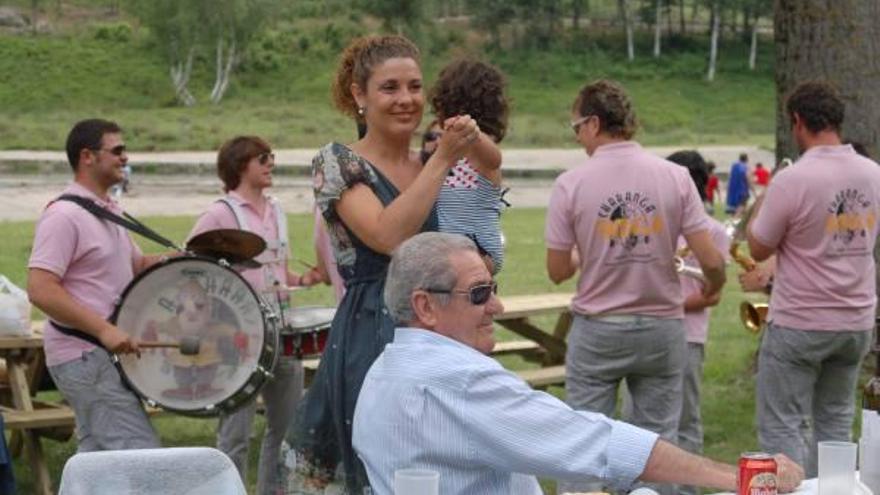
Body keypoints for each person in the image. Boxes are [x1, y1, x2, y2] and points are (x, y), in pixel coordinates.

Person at [352, 232, 803, 495]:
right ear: (425, 307)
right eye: (479, 294)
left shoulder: (383, 370)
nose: (498, 305)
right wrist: (742, 478)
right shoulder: (456, 379)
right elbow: (595, 442)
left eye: (493, 288)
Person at [287, 35, 481, 493]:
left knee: (444, 458)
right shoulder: (337, 162)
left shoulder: (434, 165)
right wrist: (444, 160)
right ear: (359, 95)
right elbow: (388, 237)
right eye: (389, 87)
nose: (406, 99)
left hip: (446, 326)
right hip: (375, 328)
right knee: (379, 460)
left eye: (414, 87)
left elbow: (478, 246)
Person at [544, 80, 727, 495]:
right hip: (662, 325)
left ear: (593, 123)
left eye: (576, 129)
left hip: (599, 325)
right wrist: (714, 285)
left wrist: (587, 249)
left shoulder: (571, 183)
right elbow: (711, 259)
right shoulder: (676, 176)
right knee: (658, 445)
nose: (578, 140)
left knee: (584, 442)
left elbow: (557, 270)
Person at [747, 81, 880, 476]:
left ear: (798, 121)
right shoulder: (874, 174)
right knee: (836, 421)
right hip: (855, 318)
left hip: (801, 319)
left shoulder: (794, 179)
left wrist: (760, 207)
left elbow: (758, 248)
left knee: (782, 425)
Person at [188, 135, 319, 495]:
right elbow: (190, 268)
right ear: (239, 165)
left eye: (271, 156)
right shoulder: (220, 213)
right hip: (236, 339)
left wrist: (303, 280)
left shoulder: (277, 210)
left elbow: (279, 271)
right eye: (262, 158)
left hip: (281, 332)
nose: (270, 163)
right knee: (236, 433)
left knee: (286, 426)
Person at [26, 118, 162, 452]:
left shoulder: (106, 210)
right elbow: (41, 288)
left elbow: (137, 266)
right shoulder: (64, 216)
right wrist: (104, 330)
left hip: (99, 355)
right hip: (85, 354)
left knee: (98, 463)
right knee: (141, 457)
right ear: (87, 156)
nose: (125, 158)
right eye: (117, 150)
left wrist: (195, 257)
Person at [665, 150, 730, 495]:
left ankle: (687, 489)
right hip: (656, 333)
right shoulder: (659, 225)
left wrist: (669, 304)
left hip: (688, 334)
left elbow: (713, 294)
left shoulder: (713, 231)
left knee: (686, 419)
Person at [429, 58, 508, 273]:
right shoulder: (447, 151)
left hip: (478, 249)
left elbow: (495, 160)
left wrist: (470, 131)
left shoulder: (479, 149)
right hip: (451, 250)